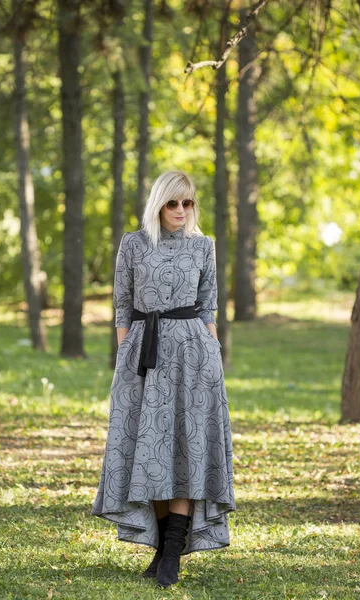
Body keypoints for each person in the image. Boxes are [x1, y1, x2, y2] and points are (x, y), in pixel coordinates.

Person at [91, 170, 236, 588]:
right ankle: (160, 548)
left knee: (186, 448)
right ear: (158, 204)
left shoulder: (203, 246)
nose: (179, 210)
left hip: (194, 355)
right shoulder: (134, 244)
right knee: (148, 448)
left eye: (187, 203)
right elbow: (122, 307)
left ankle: (172, 551)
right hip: (144, 355)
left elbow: (207, 307)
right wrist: (125, 358)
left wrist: (214, 361)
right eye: (172, 203)